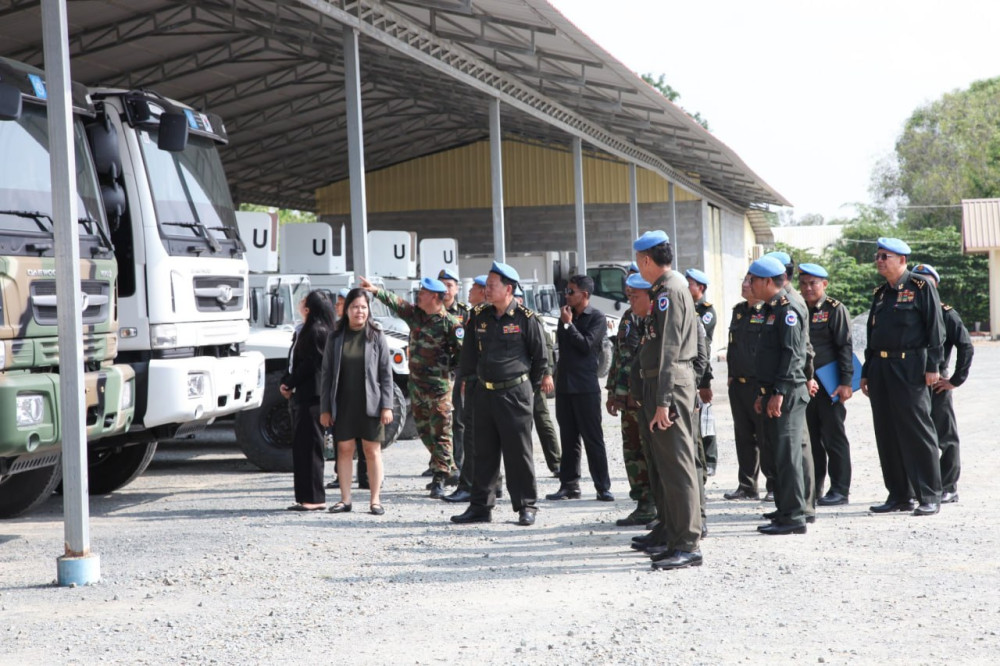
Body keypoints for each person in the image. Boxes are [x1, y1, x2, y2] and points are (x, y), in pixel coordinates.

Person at [451, 262, 552, 526]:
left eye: (492, 285)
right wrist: (467, 381)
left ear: (508, 289)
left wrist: (527, 389)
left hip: (514, 394)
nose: (486, 289)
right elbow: (469, 354)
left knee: (518, 453)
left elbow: (540, 358)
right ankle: (480, 507)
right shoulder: (479, 316)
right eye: (486, 285)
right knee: (482, 452)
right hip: (484, 393)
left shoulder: (526, 318)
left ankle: (526, 505)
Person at [630, 230, 702, 570]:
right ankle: (675, 538)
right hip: (661, 383)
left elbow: (670, 349)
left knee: (678, 467)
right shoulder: (665, 289)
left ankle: (688, 543)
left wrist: (663, 400)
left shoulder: (669, 291)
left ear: (646, 260)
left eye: (638, 261)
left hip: (669, 385)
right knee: (667, 467)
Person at [860, 238, 944, 516]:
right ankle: (899, 494)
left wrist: (934, 365)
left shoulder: (920, 287)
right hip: (880, 368)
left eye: (885, 256)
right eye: (878, 256)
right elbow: (872, 334)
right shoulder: (880, 293)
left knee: (917, 431)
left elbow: (935, 329)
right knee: (887, 431)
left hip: (910, 367)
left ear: (902, 260)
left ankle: (929, 495)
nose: (879, 260)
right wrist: (866, 371)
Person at [360, 275, 464, 499]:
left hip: (439, 389)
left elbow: (462, 355)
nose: (419, 295)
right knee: (425, 431)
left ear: (434, 297)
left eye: (423, 293)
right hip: (417, 387)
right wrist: (375, 290)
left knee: (442, 433)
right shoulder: (415, 315)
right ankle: (450, 469)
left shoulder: (450, 324)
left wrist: (450, 374)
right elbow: (396, 302)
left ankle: (439, 478)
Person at [319, 288, 395, 515]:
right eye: (354, 307)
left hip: (371, 403)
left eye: (363, 307)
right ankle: (345, 499)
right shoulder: (335, 337)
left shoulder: (376, 335)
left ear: (368, 309)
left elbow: (386, 374)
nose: (359, 311)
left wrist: (387, 405)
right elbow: (326, 375)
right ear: (346, 310)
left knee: (372, 450)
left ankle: (375, 500)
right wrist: (325, 409)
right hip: (343, 403)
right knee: (344, 449)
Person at [749, 255, 810, 535]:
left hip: (788, 392)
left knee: (788, 455)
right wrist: (764, 393)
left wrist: (779, 392)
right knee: (778, 454)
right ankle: (785, 509)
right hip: (775, 391)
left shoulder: (787, 309)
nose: (750, 285)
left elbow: (793, 354)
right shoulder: (772, 308)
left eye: (753, 280)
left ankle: (795, 516)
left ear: (765, 281)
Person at [910, 263, 973, 505]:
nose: (921, 287)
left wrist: (955, 380)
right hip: (912, 381)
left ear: (935, 286)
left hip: (937, 382)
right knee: (917, 435)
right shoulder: (909, 312)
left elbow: (966, 346)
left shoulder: (946, 313)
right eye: (917, 282)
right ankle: (922, 486)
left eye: (926, 282)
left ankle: (948, 486)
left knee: (945, 436)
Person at [547, 275, 613, 502]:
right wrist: (566, 322)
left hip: (585, 388)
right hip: (565, 386)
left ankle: (602, 486)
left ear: (584, 294)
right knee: (568, 439)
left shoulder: (597, 317)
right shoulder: (566, 315)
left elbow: (586, 345)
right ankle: (569, 486)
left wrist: (568, 324)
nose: (566, 295)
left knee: (593, 439)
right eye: (566, 290)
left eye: (571, 291)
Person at [796, 263, 855, 506]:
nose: (808, 288)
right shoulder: (799, 308)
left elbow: (845, 346)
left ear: (824, 284)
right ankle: (815, 488)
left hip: (830, 383)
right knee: (812, 438)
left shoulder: (834, 309)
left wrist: (846, 382)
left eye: (813, 283)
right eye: (803, 283)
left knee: (833, 437)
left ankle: (840, 489)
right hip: (806, 385)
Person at [606, 271, 655, 526]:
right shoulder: (628, 316)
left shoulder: (653, 317)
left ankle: (656, 506)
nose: (629, 293)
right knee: (632, 452)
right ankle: (643, 503)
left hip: (644, 398)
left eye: (634, 291)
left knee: (649, 452)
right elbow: (619, 356)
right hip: (626, 399)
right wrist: (613, 392)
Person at [281, 291, 336, 511]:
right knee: (302, 447)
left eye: (304, 300)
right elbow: (293, 361)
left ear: (309, 308)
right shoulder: (305, 330)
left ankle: (314, 498)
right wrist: (287, 381)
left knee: (311, 447)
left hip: (312, 397)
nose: (300, 303)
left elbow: (309, 365)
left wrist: (289, 383)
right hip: (302, 395)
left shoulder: (316, 331)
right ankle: (305, 497)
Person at [444, 274, 488, 504]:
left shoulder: (483, 316)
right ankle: (487, 484)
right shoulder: (477, 315)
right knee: (475, 433)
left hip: (477, 382)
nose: (469, 292)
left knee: (474, 435)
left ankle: (470, 485)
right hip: (470, 380)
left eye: (474, 289)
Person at [723, 274, 767, 501]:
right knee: (743, 436)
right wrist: (731, 374)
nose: (745, 285)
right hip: (738, 384)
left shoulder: (768, 311)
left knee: (765, 436)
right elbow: (733, 347)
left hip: (757, 385)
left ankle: (774, 485)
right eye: (744, 281)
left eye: (750, 282)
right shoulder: (738, 311)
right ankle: (747, 485)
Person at [685, 268, 718, 476]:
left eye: (690, 284)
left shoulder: (706, 312)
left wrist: (705, 381)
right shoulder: (685, 306)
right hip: (690, 370)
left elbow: (703, 346)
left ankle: (710, 459)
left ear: (701, 288)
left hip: (701, 369)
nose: (686, 286)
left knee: (705, 417)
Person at [439, 268, 470, 488]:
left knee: (458, 421)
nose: (446, 290)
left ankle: (457, 464)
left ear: (457, 288)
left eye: (450, 285)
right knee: (437, 423)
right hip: (438, 374)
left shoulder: (464, 313)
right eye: (442, 285)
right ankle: (439, 465)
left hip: (458, 373)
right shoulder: (430, 311)